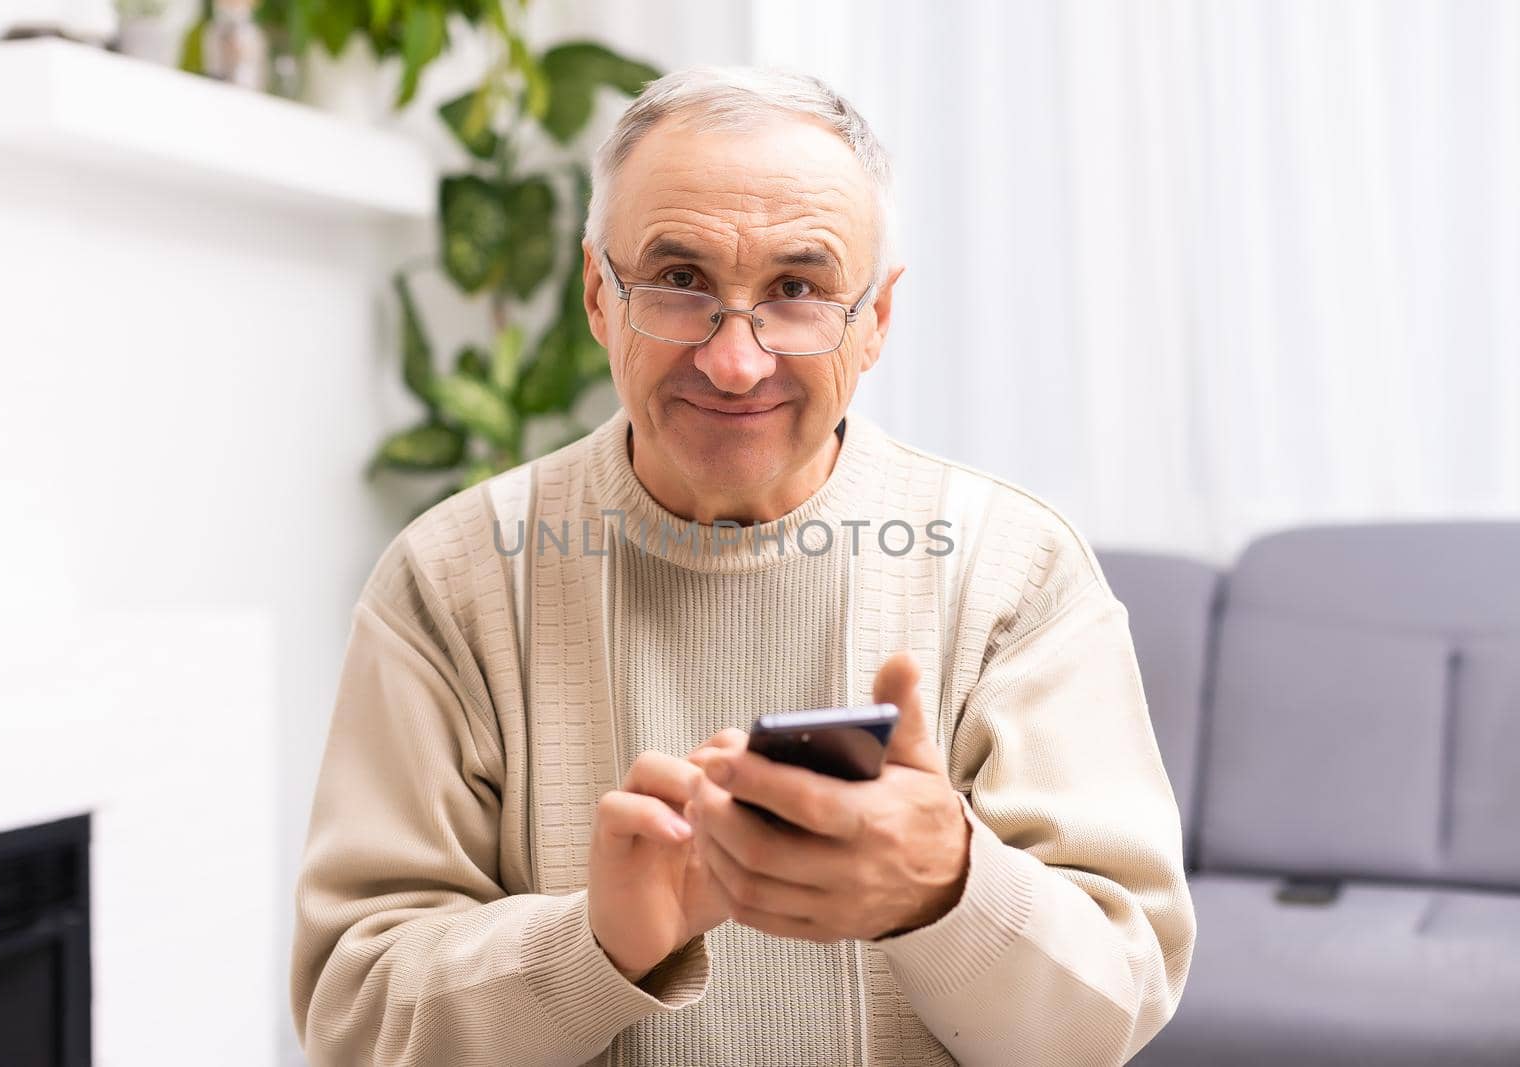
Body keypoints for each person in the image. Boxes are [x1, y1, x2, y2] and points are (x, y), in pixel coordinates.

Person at [289, 65, 1194, 1066]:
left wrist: (949, 886)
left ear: (877, 320)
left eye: (796, 290)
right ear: (599, 293)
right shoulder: (451, 576)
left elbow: (1108, 1008)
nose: (735, 360)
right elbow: (354, 1015)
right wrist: (596, 944)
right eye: (679, 281)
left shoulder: (1014, 568)